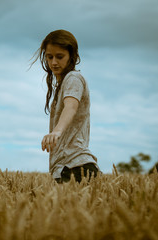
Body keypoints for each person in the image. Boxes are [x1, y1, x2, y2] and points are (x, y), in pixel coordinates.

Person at [32, 30, 99, 183]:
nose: (54, 62)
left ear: (72, 56)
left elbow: (71, 106)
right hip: (66, 166)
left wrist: (57, 131)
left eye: (59, 56)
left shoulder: (73, 78)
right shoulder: (62, 84)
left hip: (76, 167)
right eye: (49, 57)